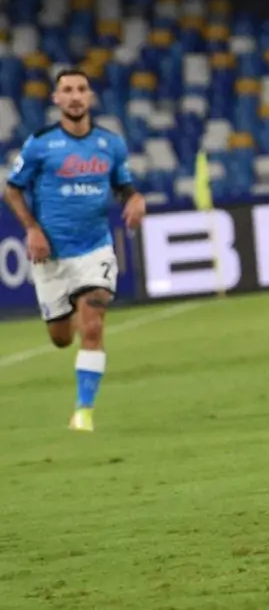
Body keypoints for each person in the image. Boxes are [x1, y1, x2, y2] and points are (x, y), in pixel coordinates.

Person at [2, 69, 146, 432]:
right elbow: (12, 189)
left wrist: (134, 198)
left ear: (90, 97)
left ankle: (84, 411)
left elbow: (123, 185)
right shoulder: (40, 144)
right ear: (57, 99)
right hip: (51, 255)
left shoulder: (111, 144)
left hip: (95, 249)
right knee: (61, 338)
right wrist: (32, 229)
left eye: (81, 89)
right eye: (67, 90)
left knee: (93, 326)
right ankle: (69, 317)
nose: (75, 95)